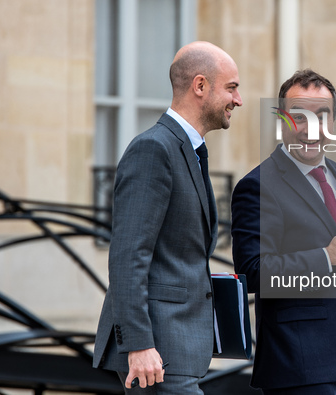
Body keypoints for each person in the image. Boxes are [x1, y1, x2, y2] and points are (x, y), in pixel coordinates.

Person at [93, 41, 242, 395]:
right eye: (232, 87)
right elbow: (129, 255)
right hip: (156, 355)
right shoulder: (153, 149)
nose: (238, 100)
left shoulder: (187, 150)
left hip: (177, 353)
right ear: (200, 86)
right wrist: (139, 344)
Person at [231, 69, 336, 394]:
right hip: (300, 369)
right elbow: (253, 272)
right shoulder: (258, 186)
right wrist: (326, 257)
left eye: (322, 115)